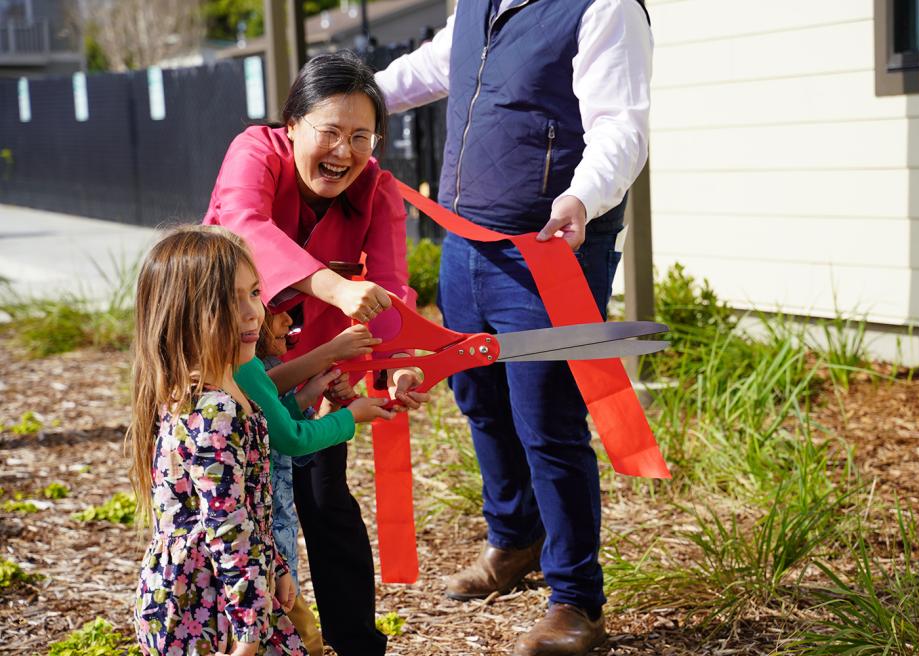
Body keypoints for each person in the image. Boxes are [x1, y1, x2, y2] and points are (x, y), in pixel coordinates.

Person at [375, 1, 654, 654]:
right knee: (478, 396)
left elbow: (623, 127)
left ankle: (577, 601)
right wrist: (347, 96)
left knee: (547, 417)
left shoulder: (603, 8)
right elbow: (432, 66)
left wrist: (582, 198)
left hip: (550, 247)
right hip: (464, 241)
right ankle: (515, 536)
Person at [203, 50, 428, 656]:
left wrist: (400, 362)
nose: (344, 151)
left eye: (361, 136)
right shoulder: (254, 151)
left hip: (318, 365)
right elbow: (243, 225)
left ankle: (355, 644)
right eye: (329, 131)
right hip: (229, 359)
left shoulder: (377, 188)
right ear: (292, 124)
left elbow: (390, 286)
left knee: (325, 497)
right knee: (230, 507)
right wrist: (333, 285)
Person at [129, 225, 302, 656]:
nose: (252, 313)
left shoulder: (226, 393)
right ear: (186, 313)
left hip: (220, 591)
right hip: (202, 608)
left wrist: (276, 565)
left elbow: (246, 506)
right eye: (229, 300)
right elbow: (227, 527)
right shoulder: (214, 413)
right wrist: (248, 629)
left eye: (255, 292)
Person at [235, 312, 395, 656]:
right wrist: (349, 417)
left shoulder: (236, 366)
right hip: (263, 540)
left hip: (267, 536)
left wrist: (308, 396)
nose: (286, 317)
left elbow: (269, 423)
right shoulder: (245, 368)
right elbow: (290, 439)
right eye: (272, 305)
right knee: (300, 636)